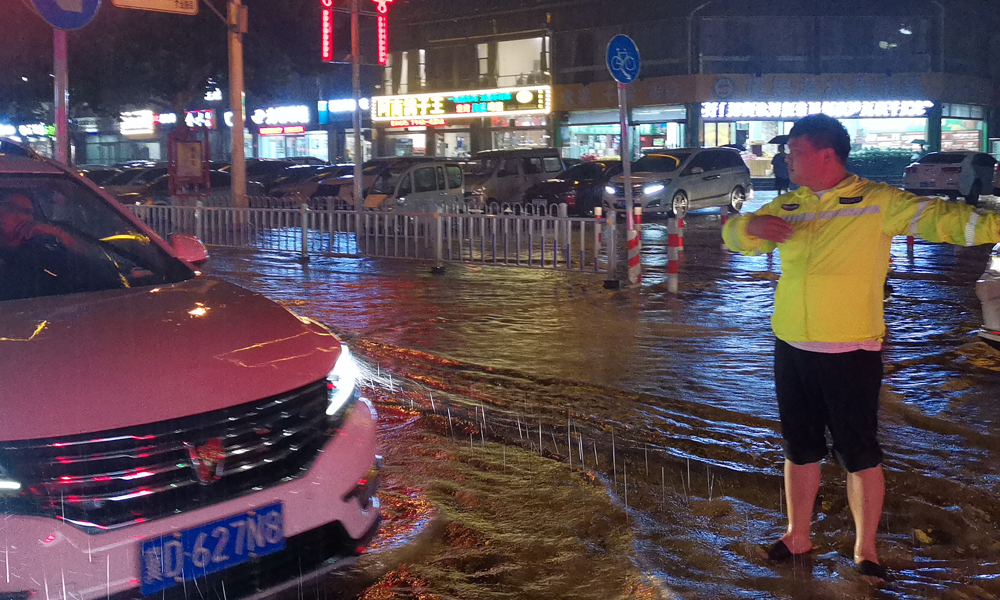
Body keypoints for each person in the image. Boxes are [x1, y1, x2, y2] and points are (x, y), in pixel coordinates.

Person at [722, 114, 1000, 585]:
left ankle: (865, 550)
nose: (786, 159)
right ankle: (796, 536)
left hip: (850, 348)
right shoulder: (789, 205)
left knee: (859, 453)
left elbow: (948, 221)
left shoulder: (878, 202)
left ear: (825, 154)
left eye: (794, 151)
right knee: (799, 447)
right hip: (790, 343)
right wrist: (750, 229)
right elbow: (735, 237)